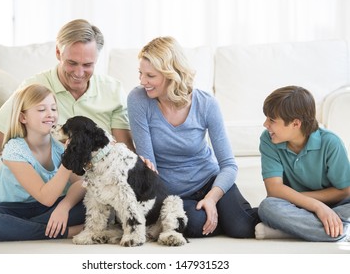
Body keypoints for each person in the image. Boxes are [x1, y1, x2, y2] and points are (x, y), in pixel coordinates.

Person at [0, 19, 134, 239]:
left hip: (70, 199)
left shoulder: (113, 90)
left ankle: (18, 229)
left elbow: (123, 152)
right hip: (27, 204)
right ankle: (57, 231)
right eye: (72, 63)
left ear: (97, 60)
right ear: (58, 53)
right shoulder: (34, 90)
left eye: (88, 65)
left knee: (93, 205)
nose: (79, 73)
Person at [127, 36, 259, 238]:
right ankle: (222, 217)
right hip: (174, 194)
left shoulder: (206, 104)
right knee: (195, 225)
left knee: (242, 228)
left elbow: (229, 165)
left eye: (150, 76)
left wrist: (212, 199)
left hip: (209, 181)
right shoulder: (138, 100)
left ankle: (265, 214)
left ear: (171, 75)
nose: (143, 81)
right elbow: (149, 169)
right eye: (141, 73)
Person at [0, 84, 85, 241]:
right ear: (23, 117)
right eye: (41, 110)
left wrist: (63, 207)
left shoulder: (59, 148)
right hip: (11, 209)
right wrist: (68, 161)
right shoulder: (15, 149)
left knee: (90, 203)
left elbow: (81, 184)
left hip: (45, 210)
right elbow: (45, 197)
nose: (50, 114)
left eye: (53, 109)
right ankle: (65, 231)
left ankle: (19, 229)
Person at [255, 86, 350, 242]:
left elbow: (344, 191)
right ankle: (340, 230)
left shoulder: (331, 142)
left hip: (334, 205)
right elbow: (274, 189)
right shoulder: (268, 140)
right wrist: (317, 207)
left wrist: (314, 204)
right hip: (296, 207)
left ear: (295, 124)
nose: (266, 124)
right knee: (268, 207)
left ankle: (289, 230)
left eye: (272, 120)